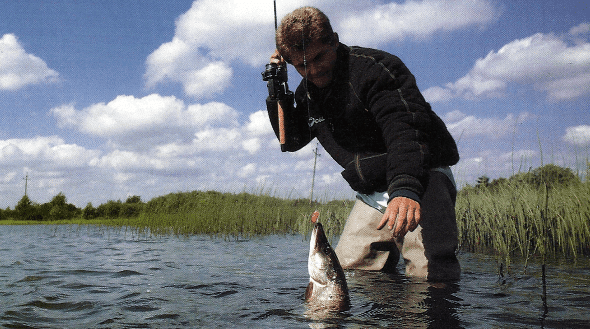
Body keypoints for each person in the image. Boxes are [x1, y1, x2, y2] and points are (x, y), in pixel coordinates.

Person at [263, 7, 460, 281]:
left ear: (334, 40)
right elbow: (292, 140)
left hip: (419, 177)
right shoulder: (307, 91)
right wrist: (277, 92)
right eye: (301, 65)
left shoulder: (376, 69)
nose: (314, 70)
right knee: (346, 276)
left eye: (319, 57)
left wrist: (405, 189)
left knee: (428, 276)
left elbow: (405, 132)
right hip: (374, 191)